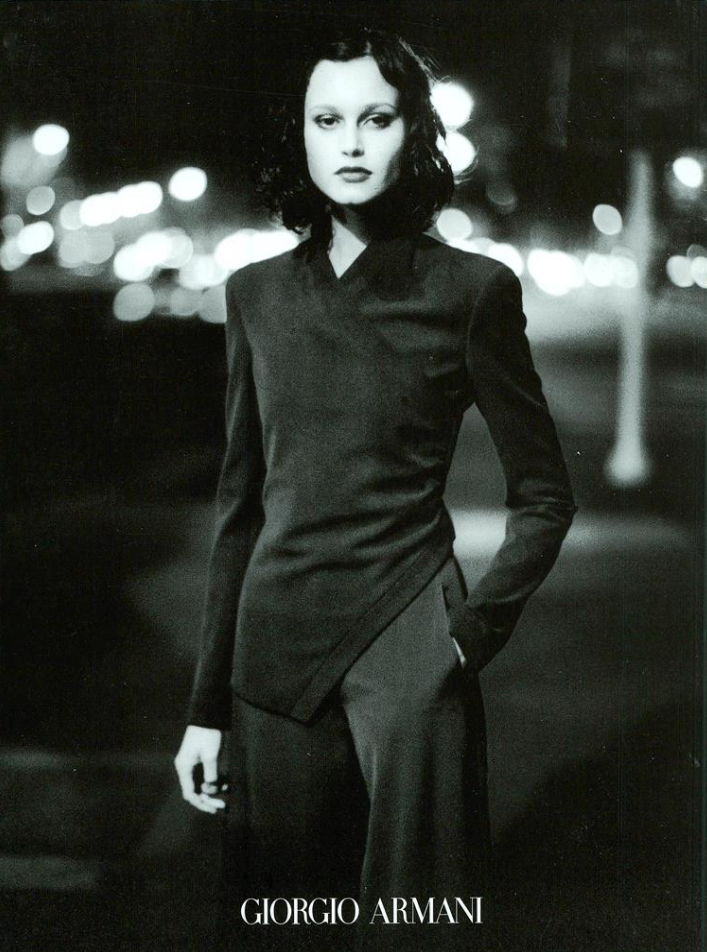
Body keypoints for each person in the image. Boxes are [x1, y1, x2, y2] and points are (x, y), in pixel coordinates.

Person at [174, 26, 576, 952]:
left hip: (408, 644)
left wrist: (469, 633)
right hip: (271, 651)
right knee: (280, 922)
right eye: (328, 120)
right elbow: (240, 510)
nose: (350, 142)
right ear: (301, 135)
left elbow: (545, 494)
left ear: (413, 134)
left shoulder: (471, 291)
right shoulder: (253, 295)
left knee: (417, 922)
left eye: (376, 119)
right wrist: (203, 711)